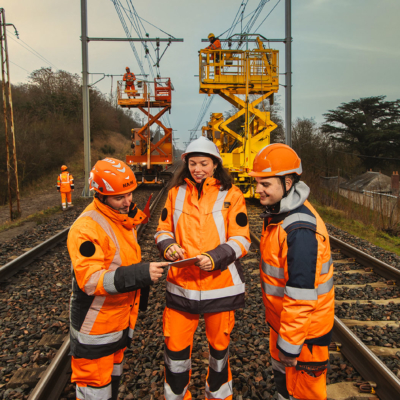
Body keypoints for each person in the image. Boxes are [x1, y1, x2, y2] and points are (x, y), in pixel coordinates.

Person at [155, 136, 251, 400]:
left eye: (204, 163)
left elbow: (242, 239)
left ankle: (218, 396)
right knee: (175, 351)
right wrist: (169, 246)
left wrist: (216, 256)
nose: (198, 169)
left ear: (215, 165)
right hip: (182, 287)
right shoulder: (175, 193)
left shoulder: (232, 195)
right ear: (187, 165)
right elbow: (162, 230)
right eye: (193, 164)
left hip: (219, 287)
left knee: (219, 351)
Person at [67, 157, 168, 400]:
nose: (128, 202)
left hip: (117, 321)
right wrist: (141, 274)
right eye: (119, 197)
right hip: (96, 328)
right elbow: (91, 281)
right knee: (95, 390)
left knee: (110, 386)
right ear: (100, 195)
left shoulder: (120, 217)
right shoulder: (86, 229)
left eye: (129, 194)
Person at [248, 144, 334, 400]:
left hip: (303, 336)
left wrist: (290, 345)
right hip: (286, 326)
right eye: (257, 182)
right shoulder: (280, 214)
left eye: (265, 184)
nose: (258, 189)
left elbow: (301, 296)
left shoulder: (298, 230)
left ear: (288, 182)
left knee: (303, 394)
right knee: (284, 387)